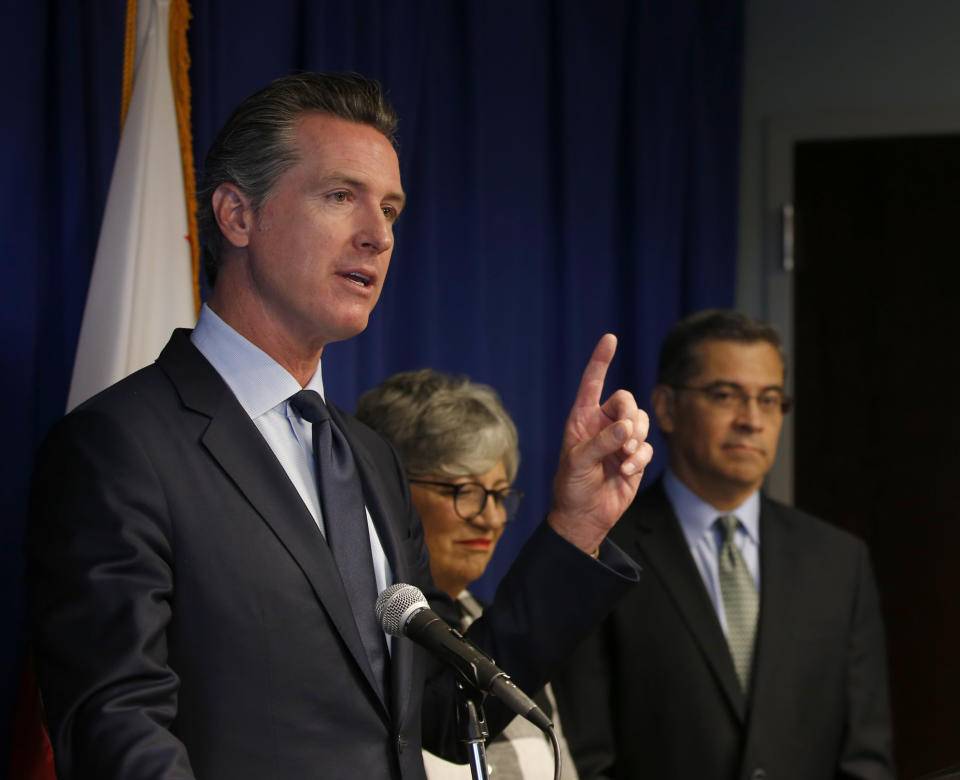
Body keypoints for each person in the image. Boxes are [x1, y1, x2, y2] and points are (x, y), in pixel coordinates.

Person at [27, 72, 653, 780]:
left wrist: (575, 527)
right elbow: (118, 729)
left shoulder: (371, 460)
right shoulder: (121, 447)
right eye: (340, 197)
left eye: (390, 209)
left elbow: (438, 714)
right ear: (237, 215)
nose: (378, 236)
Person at [553, 309, 894, 780]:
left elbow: (866, 758)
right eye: (725, 395)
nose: (752, 420)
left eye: (770, 399)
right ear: (667, 407)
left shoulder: (838, 560)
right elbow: (584, 758)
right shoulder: (603, 551)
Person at [355, 368, 580, 779]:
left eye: (498, 494)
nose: (490, 518)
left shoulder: (499, 637)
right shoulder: (364, 646)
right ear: (391, 493)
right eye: (463, 490)